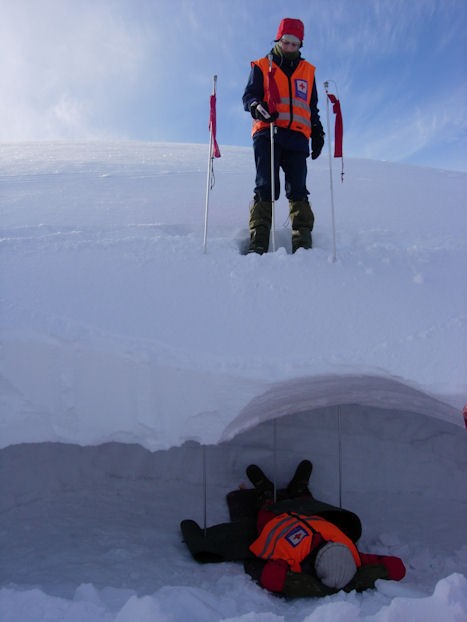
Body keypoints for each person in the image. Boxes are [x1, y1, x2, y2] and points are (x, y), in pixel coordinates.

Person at [180, 460, 406, 598]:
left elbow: (271, 578)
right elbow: (397, 568)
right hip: (312, 515)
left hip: (275, 520)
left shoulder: (296, 557)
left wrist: (324, 584)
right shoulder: (353, 555)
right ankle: (299, 491)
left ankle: (265, 492)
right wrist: (350, 582)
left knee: (266, 510)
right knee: (312, 508)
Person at [242, 18, 325, 255]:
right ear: (279, 39)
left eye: (295, 43)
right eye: (286, 42)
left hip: (298, 137)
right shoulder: (261, 65)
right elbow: (249, 96)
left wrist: (317, 132)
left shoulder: (308, 72)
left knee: (298, 188)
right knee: (266, 185)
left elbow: (312, 106)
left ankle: (302, 243)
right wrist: (256, 106)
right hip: (268, 133)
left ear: (301, 45)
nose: (290, 47)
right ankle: (258, 242)